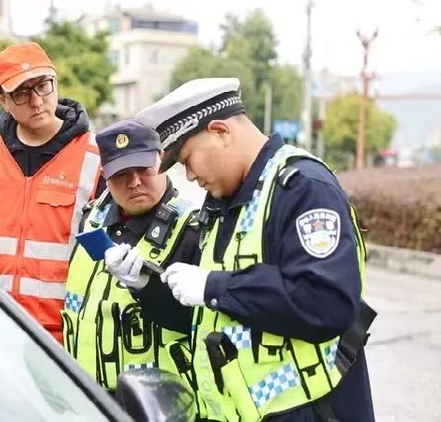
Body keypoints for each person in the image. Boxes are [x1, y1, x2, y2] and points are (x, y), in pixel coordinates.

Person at [133, 78, 376, 422]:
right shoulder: (225, 204)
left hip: (312, 411)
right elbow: (215, 315)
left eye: (187, 159)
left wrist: (214, 286)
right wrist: (148, 287)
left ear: (220, 131)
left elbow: (325, 302)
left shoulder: (302, 187)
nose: (189, 175)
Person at [0, 41, 103, 343]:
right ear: (3, 100)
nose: (36, 101)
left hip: (62, 333)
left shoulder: (94, 155)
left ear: (55, 82)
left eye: (43, 86)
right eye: (22, 92)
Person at [62, 119, 200, 395]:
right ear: (106, 176)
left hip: (160, 402)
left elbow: (197, 323)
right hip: (89, 396)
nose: (135, 182)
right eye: (122, 173)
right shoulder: (91, 219)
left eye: (143, 169)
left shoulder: (193, 229)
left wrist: (147, 288)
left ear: (161, 160)